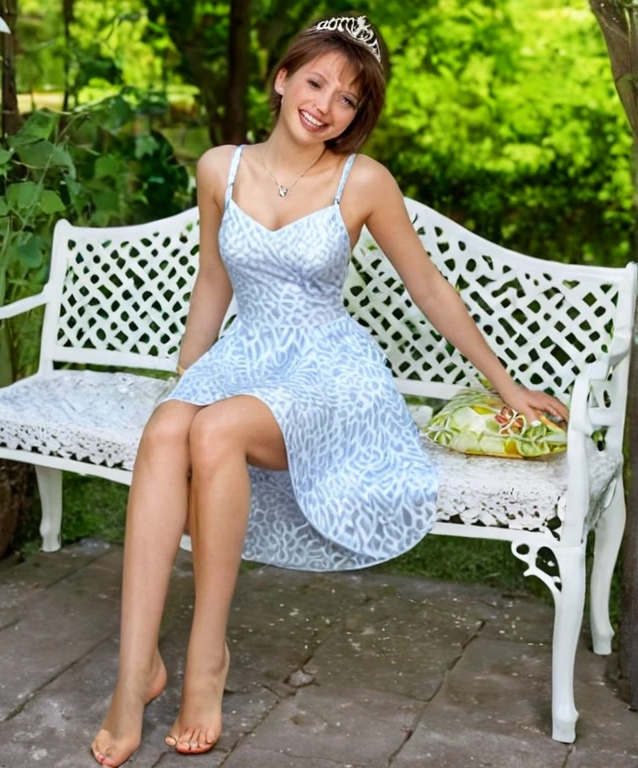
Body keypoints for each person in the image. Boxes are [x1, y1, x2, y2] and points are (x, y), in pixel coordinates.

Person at [91, 13, 569, 767]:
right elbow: (212, 285)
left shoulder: (363, 182)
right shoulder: (219, 167)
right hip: (245, 356)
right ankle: (133, 675)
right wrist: (186, 383)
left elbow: (431, 287)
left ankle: (206, 660)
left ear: (358, 115)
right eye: (315, 82)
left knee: (214, 432)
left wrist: (505, 385)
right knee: (168, 430)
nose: (326, 105)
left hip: (328, 372)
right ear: (283, 79)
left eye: (348, 99)